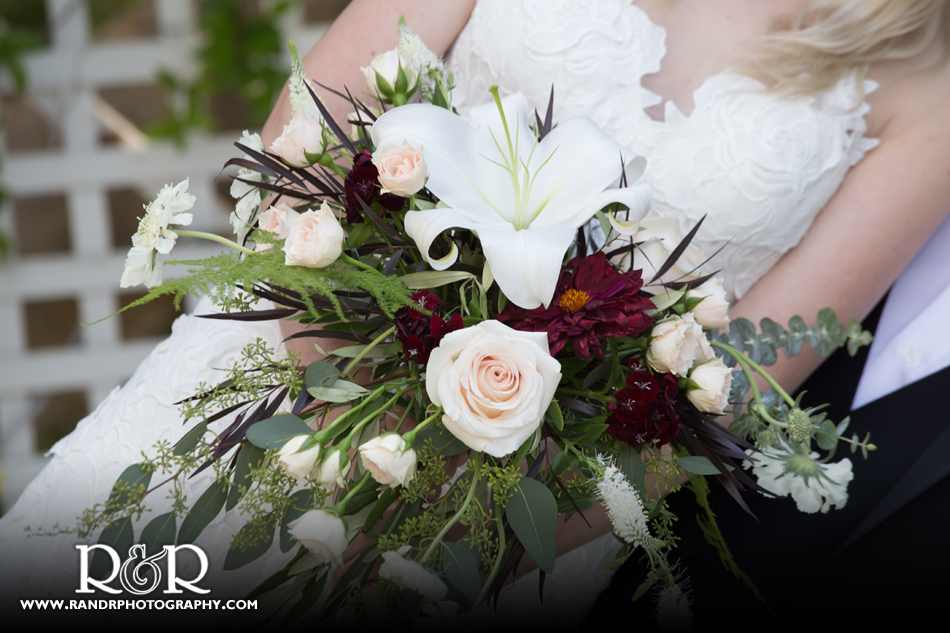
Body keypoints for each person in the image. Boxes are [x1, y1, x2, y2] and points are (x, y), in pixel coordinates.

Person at [1, 0, 948, 623]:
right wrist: (342, 402)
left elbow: (739, 379)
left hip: (525, 518)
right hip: (264, 378)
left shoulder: (929, 76)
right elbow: (313, 121)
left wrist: (478, 527)